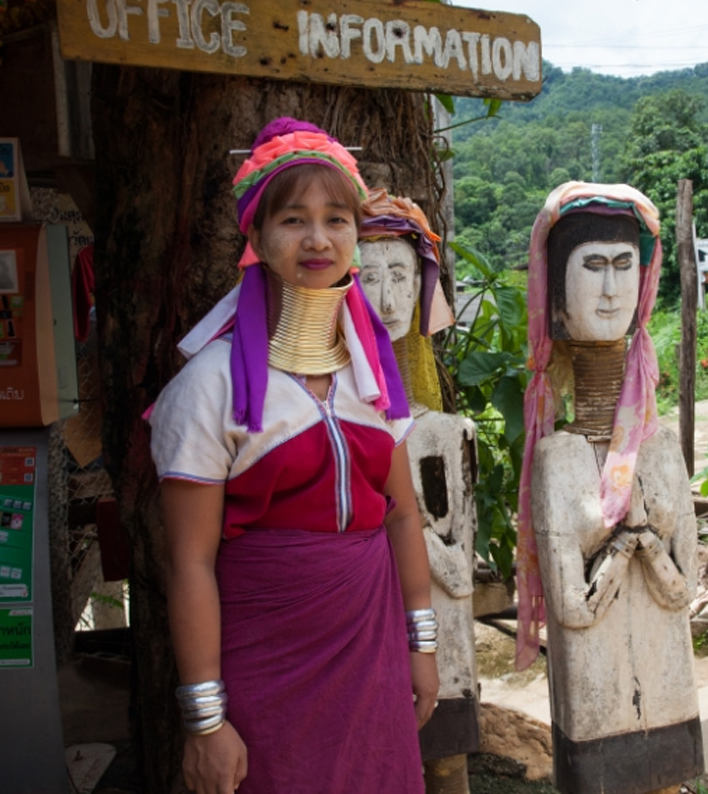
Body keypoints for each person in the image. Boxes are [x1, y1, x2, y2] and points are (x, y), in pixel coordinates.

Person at [148, 117, 438, 794]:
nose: (317, 238)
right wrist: (205, 719)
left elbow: (400, 518)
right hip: (267, 656)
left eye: (337, 219)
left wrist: (421, 647)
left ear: (354, 239)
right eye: (293, 220)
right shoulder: (208, 387)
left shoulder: (372, 376)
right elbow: (187, 560)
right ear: (254, 237)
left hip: (369, 648)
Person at [518, 182, 703, 794]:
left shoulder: (659, 445)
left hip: (668, 681)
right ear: (558, 299)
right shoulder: (558, 458)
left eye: (625, 266)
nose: (610, 288)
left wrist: (630, 543)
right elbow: (569, 608)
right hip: (594, 691)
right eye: (592, 266)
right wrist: (636, 541)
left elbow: (687, 591)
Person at [358, 190, 481, 776]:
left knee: (444, 769)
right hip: (360, 643)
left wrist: (398, 526)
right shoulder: (335, 422)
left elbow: (461, 571)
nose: (386, 299)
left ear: (421, 287)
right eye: (369, 277)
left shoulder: (448, 435)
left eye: (401, 277)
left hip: (445, 650)